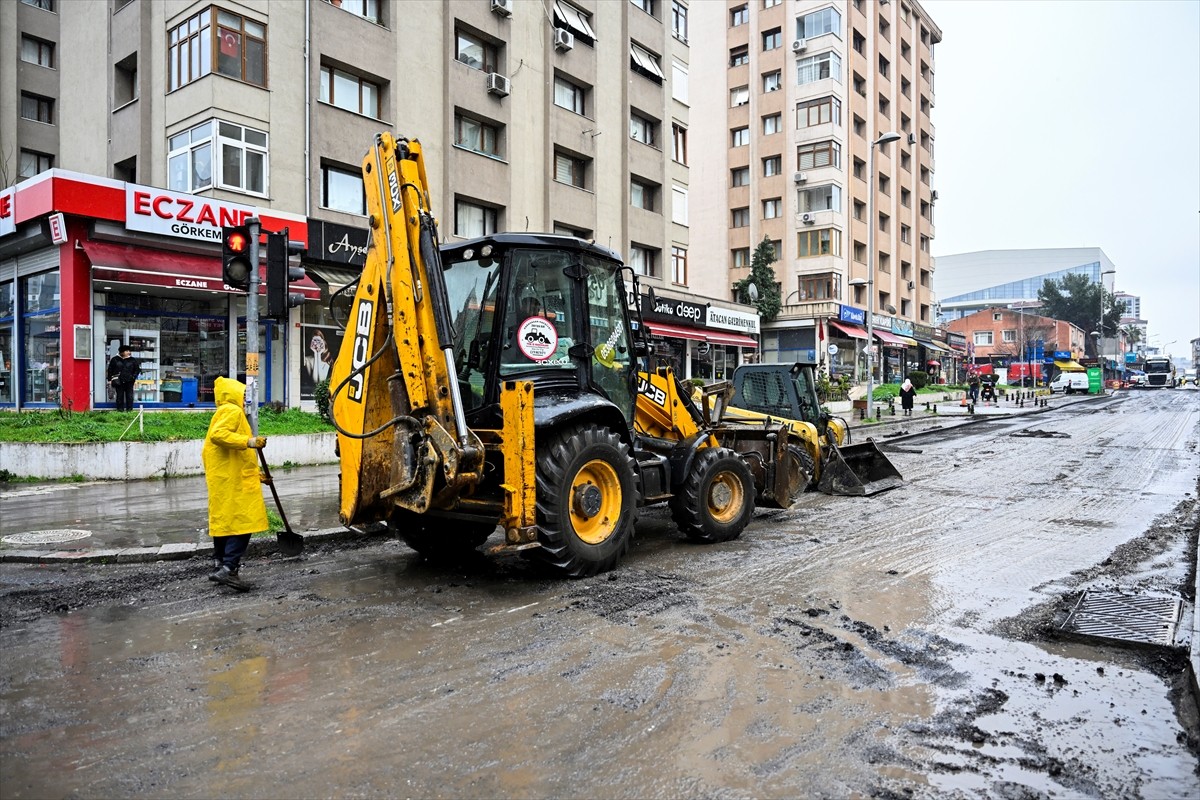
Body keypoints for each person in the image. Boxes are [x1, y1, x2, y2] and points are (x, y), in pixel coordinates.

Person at [202, 376, 269, 592]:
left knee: (226, 523)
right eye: (243, 395)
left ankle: (221, 564)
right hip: (232, 481)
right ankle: (228, 569)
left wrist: (256, 475)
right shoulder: (231, 410)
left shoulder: (223, 411)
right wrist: (248, 441)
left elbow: (230, 455)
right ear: (234, 394)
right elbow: (218, 436)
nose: (245, 399)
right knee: (243, 522)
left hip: (228, 478)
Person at [107, 345, 140, 412]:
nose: (129, 352)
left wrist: (133, 377)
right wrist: (110, 379)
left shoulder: (132, 360)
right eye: (126, 351)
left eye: (129, 351)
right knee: (119, 396)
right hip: (118, 381)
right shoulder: (115, 359)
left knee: (130, 396)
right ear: (122, 352)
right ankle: (120, 410)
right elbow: (110, 369)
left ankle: (129, 410)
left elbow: (137, 370)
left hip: (129, 381)